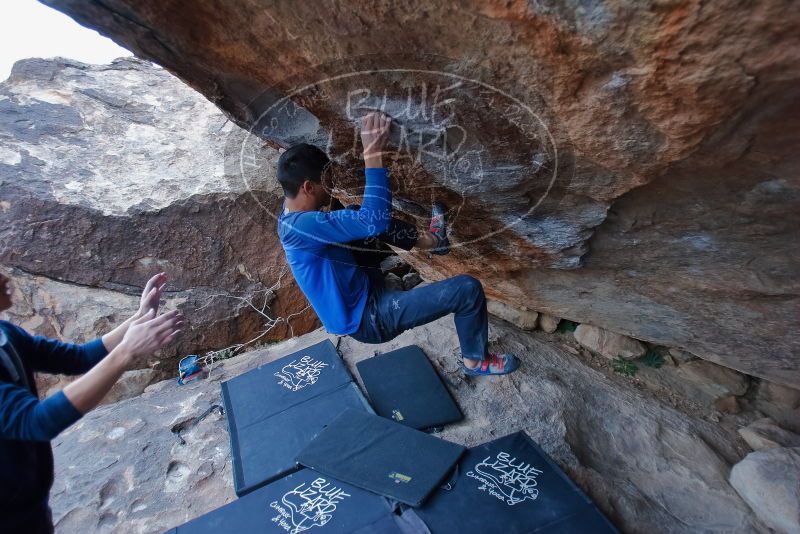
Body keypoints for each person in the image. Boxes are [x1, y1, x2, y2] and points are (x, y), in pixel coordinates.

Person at [277, 112, 520, 376]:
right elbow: (375, 223)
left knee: (360, 216)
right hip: (369, 319)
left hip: (365, 288)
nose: (331, 186)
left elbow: (367, 221)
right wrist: (372, 152)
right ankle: (475, 362)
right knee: (467, 289)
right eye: (325, 182)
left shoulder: (293, 217)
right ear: (308, 187)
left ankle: (434, 242)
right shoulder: (302, 227)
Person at [0, 271, 183, 533]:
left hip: (30, 502)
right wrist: (126, 351)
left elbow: (79, 358)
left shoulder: (5, 334)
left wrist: (139, 318)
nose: (5, 277)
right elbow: (36, 421)